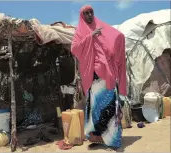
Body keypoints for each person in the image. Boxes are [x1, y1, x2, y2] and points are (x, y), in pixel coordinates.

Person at [71, 5, 127, 150]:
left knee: (109, 108)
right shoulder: (80, 32)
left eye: (91, 12)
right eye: (86, 13)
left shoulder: (102, 27)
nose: (89, 15)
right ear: (82, 16)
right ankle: (97, 138)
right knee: (95, 109)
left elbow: (117, 38)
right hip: (92, 78)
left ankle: (113, 140)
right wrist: (90, 37)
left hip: (106, 76)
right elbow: (75, 48)